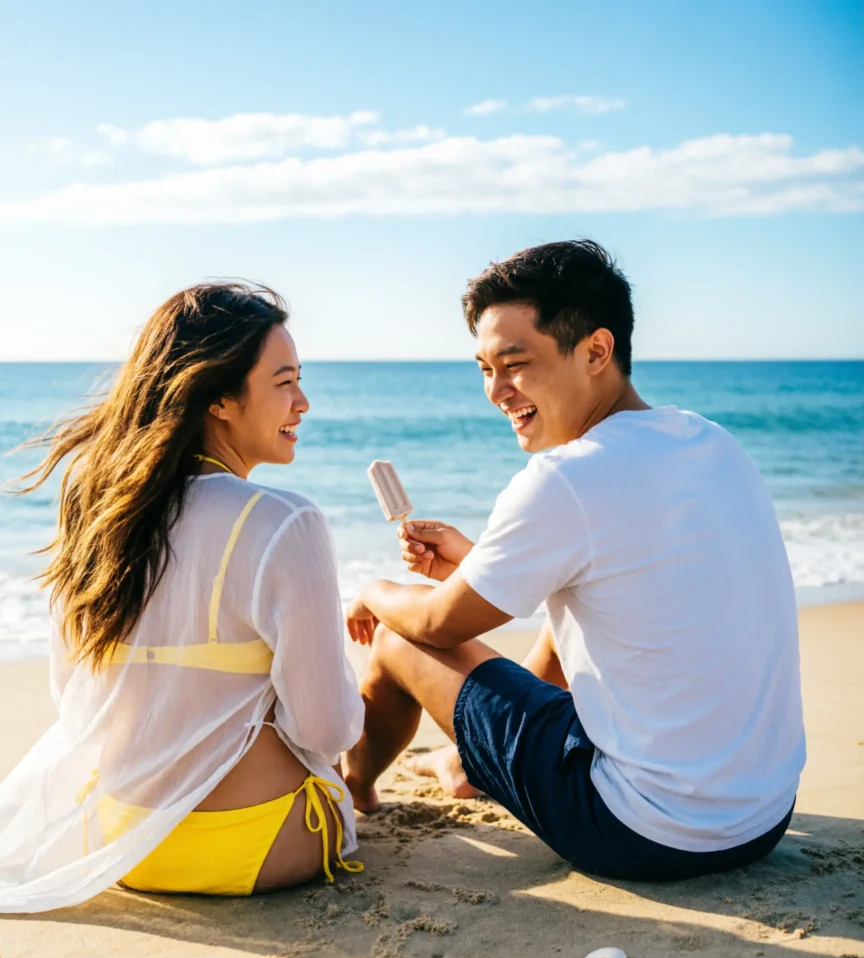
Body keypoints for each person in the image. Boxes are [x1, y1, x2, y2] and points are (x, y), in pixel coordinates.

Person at [0, 283, 365, 914]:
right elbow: (324, 728)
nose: (304, 402)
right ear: (219, 397)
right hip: (262, 845)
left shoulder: (99, 510)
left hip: (124, 844)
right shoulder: (287, 522)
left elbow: (74, 697)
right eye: (284, 382)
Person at [343, 240, 805, 882]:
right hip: (761, 817)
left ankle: (355, 787)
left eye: (515, 364)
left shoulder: (566, 479)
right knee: (573, 608)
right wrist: (479, 564)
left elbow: (437, 628)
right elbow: (625, 587)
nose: (497, 391)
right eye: (484, 368)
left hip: (640, 832)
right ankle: (468, 764)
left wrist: (371, 590)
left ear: (595, 351)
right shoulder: (708, 440)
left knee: (398, 636)